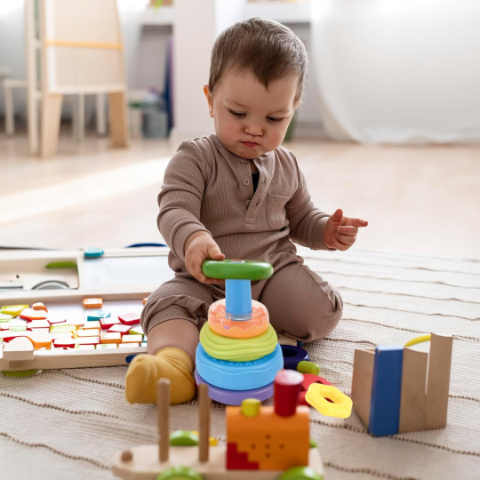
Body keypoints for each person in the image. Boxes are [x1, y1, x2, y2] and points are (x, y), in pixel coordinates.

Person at [125, 18, 368, 404]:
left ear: (293, 110)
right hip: (205, 280)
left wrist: (326, 230)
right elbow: (174, 208)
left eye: (274, 119)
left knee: (321, 311)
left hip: (271, 275)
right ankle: (172, 365)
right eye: (238, 113)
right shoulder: (195, 158)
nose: (255, 129)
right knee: (166, 304)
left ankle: (255, 324)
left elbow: (302, 217)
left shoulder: (287, 164)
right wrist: (193, 238)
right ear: (210, 99)